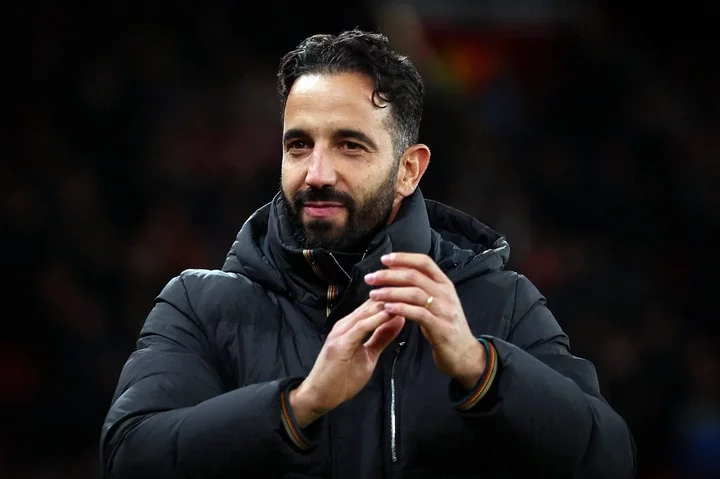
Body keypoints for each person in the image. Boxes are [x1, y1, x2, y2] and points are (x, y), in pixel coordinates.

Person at [100, 29, 636, 478]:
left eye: (349, 146)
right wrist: (299, 404)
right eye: (299, 145)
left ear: (409, 169)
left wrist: (481, 368)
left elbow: (609, 458)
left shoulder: (499, 301)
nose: (317, 173)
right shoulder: (199, 304)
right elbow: (128, 457)